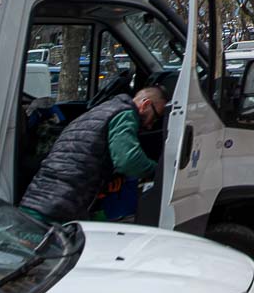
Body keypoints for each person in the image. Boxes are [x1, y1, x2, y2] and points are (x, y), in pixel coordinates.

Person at [20, 85, 167, 223]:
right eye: (155, 117)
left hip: (39, 194)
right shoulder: (125, 115)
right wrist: (158, 171)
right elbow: (129, 161)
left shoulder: (104, 110)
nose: (150, 125)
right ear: (145, 104)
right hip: (62, 200)